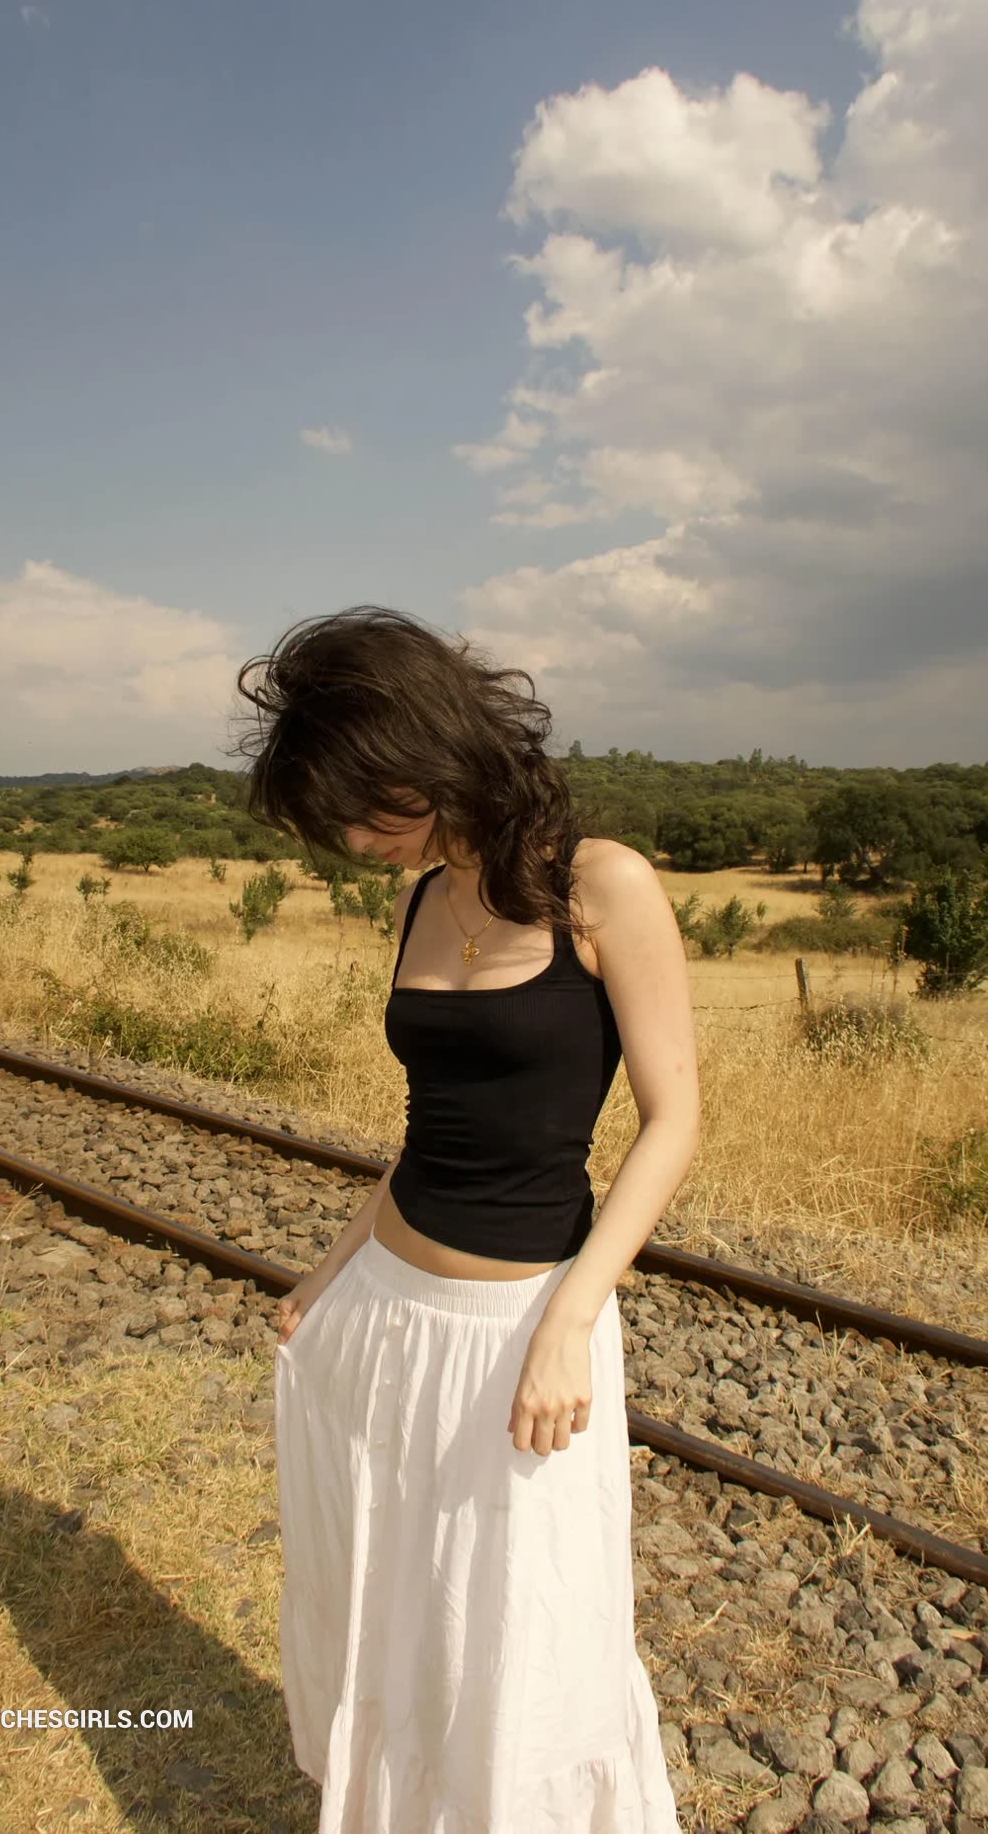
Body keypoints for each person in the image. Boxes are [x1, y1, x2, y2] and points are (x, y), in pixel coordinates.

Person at [233, 604, 700, 1832]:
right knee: (399, 1608)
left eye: (362, 809)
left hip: (517, 1324)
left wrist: (568, 1319)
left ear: (426, 755)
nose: (352, 841)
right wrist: (329, 1271)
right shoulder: (422, 895)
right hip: (387, 1312)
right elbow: (428, 1132)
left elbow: (672, 1121)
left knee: (518, 1642)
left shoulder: (600, 884)